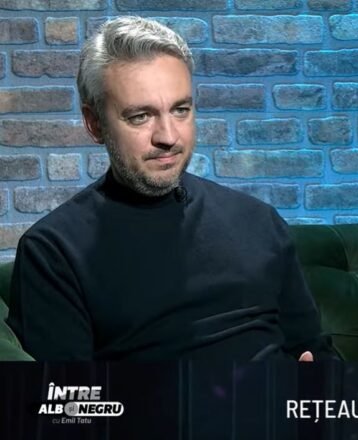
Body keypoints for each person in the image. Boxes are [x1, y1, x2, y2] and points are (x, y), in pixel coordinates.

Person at [4, 17, 334, 361]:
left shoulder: (258, 220)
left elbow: (315, 353)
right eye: (140, 116)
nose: (168, 136)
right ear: (94, 123)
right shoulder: (53, 251)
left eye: (180, 110)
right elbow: (69, 407)